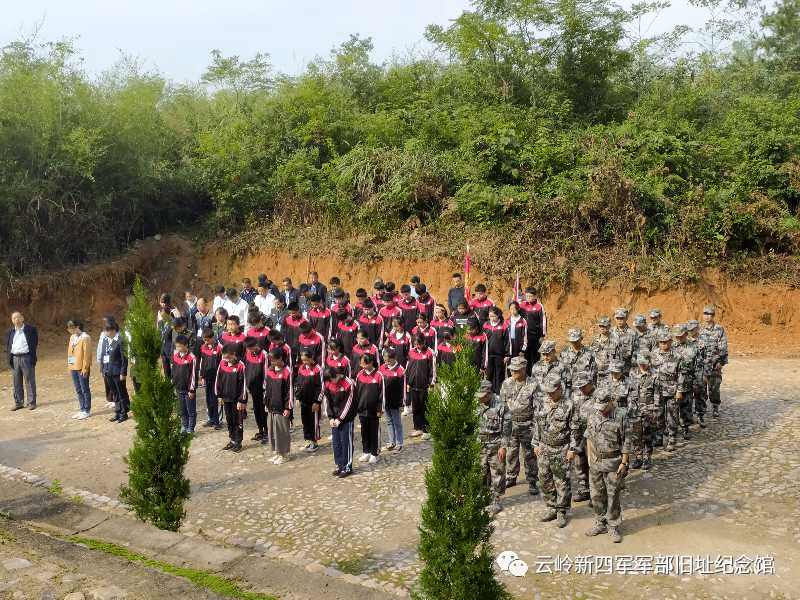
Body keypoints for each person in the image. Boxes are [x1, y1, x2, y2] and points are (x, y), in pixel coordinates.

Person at [584, 386, 631, 543]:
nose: (601, 410)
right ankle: (600, 521)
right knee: (596, 494)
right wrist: (590, 458)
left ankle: (613, 525)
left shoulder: (621, 415)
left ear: (611, 401)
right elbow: (589, 437)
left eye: (604, 406)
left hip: (614, 462)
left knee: (613, 495)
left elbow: (626, 440)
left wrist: (624, 462)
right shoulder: (593, 414)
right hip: (596, 461)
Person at [534, 373, 579, 528]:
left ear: (560, 388)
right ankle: (551, 507)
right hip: (544, 448)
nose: (550, 395)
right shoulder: (542, 403)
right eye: (548, 392)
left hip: (562, 448)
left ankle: (561, 511)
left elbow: (575, 430)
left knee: (561, 481)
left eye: (553, 392)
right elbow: (537, 424)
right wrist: (536, 444)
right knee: (544, 479)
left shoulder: (569, 405)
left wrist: (572, 449)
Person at [500, 356, 540, 496]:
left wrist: (535, 428)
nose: (513, 372)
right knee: (511, 452)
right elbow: (503, 405)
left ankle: (532, 480)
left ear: (524, 369)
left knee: (529, 454)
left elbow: (538, 408)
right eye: (512, 370)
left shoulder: (533, 384)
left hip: (527, 424)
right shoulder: (506, 383)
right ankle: (511, 477)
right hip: (511, 425)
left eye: (516, 370)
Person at [476, 380, 512, 517]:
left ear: (490, 394)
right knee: (481, 472)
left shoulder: (501, 407)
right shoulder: (476, 404)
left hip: (495, 444)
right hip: (480, 444)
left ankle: (496, 500)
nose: (480, 398)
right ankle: (483, 496)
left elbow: (507, 429)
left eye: (483, 395)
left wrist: (503, 447)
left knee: (497, 473)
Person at [651, 329, 687, 452]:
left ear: (671, 342)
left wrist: (680, 390)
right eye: (661, 342)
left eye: (666, 342)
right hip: (657, 390)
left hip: (672, 389)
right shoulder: (653, 354)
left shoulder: (677, 356)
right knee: (658, 414)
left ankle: (672, 438)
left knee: (672, 415)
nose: (663, 344)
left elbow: (681, 374)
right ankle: (659, 437)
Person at [324, 367, 357, 478]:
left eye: (333, 378)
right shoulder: (328, 383)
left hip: (346, 418)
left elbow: (348, 403)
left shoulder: (349, 383)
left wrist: (340, 419)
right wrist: (331, 417)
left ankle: (347, 466)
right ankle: (339, 465)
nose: (332, 382)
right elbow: (328, 401)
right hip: (334, 418)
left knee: (346, 442)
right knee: (336, 443)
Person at [698, 305, 728, 418]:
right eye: (705, 314)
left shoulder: (719, 329)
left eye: (709, 314)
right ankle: (702, 408)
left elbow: (723, 347)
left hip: (715, 364)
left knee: (714, 388)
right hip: (702, 365)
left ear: (713, 316)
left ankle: (715, 406)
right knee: (701, 388)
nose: (707, 316)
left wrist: (720, 362)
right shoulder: (699, 329)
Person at [216, 345, 247, 452]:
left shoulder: (241, 366)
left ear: (234, 355)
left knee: (237, 421)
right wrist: (219, 395)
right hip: (226, 398)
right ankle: (232, 440)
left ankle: (238, 442)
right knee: (229, 421)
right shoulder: (222, 364)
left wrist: (241, 400)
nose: (226, 359)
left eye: (228, 357)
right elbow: (218, 380)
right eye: (224, 357)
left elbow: (243, 384)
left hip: (237, 400)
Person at [264, 348, 293, 464]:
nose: (272, 363)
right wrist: (266, 403)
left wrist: (288, 407)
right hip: (271, 406)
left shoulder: (287, 372)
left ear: (280, 359)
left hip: (282, 408)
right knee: (272, 431)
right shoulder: (269, 371)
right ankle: (277, 452)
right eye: (270, 361)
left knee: (282, 431)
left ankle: (284, 454)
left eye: (274, 360)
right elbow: (267, 389)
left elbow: (289, 391)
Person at [629, 352, 656, 469]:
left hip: (648, 410)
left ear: (649, 363)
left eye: (644, 363)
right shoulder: (632, 373)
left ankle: (647, 458)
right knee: (636, 435)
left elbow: (657, 394)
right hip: (635, 410)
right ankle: (638, 457)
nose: (642, 366)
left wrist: (656, 410)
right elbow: (629, 391)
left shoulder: (654, 375)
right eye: (640, 363)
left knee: (647, 435)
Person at [570, 371, 595, 501]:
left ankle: (596, 493)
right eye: (579, 387)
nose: (582, 389)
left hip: (594, 436)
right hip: (579, 434)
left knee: (593, 464)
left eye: (584, 386)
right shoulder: (576, 396)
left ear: (591, 383)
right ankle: (584, 489)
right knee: (579, 463)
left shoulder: (598, 396)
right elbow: (573, 415)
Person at [355, 354, 384, 464]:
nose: (362, 365)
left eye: (364, 363)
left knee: (374, 432)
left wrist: (380, 409)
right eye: (361, 363)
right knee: (364, 432)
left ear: (370, 363)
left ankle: (374, 453)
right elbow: (356, 393)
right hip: (362, 410)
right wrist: (357, 406)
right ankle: (366, 451)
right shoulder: (359, 375)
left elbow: (382, 394)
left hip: (374, 411)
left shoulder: (378, 375)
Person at [6, 311, 38, 410]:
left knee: (29, 380)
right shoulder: (10, 332)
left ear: (22, 318)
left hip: (26, 357)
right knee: (16, 382)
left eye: (18, 317)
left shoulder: (30, 330)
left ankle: (31, 402)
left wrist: (32, 355)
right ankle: (18, 402)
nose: (17, 320)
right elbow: (8, 345)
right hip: (15, 358)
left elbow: (35, 342)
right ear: (12, 321)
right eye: (14, 318)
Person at [406, 333, 436, 438]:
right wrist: (408, 382)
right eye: (416, 344)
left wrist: (431, 383)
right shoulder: (411, 352)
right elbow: (408, 368)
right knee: (415, 407)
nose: (417, 346)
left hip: (425, 386)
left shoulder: (430, 353)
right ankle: (417, 427)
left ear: (423, 342)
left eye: (419, 344)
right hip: (413, 384)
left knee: (425, 408)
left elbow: (433, 369)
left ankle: (426, 430)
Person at [101, 320, 129, 423]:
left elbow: (124, 358)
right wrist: (103, 370)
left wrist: (123, 372)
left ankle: (123, 413)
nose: (107, 333)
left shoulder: (120, 341)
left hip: (117, 372)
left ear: (113, 330)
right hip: (108, 371)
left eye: (108, 330)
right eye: (105, 331)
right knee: (114, 393)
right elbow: (103, 356)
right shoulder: (105, 341)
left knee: (121, 393)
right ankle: (117, 412)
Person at [296, 350, 323, 452]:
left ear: (312, 358)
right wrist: (298, 397)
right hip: (304, 401)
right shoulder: (301, 368)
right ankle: (308, 440)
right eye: (303, 360)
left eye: (306, 360)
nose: (304, 362)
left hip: (313, 402)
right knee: (305, 421)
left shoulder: (318, 369)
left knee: (314, 422)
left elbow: (321, 387)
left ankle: (314, 441)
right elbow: (298, 384)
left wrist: (317, 402)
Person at [244, 337, 269, 443]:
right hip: (252, 388)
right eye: (248, 349)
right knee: (256, 410)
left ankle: (267, 432)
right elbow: (247, 369)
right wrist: (247, 385)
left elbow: (266, 372)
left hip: (262, 389)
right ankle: (260, 430)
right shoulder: (248, 354)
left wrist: (265, 387)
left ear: (255, 345)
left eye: (250, 348)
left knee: (264, 410)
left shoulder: (264, 354)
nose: (249, 350)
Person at [380, 348, 405, 452]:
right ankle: (392, 441)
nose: (387, 362)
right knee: (389, 421)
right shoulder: (382, 368)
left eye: (389, 360)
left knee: (397, 422)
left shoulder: (400, 370)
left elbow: (403, 387)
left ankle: (399, 442)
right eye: (385, 360)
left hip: (395, 401)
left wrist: (402, 402)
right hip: (385, 401)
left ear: (394, 358)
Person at [171, 335, 198, 434]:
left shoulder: (192, 358)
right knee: (182, 410)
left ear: (186, 345)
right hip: (179, 389)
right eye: (176, 346)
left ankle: (191, 428)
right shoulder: (175, 356)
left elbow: (194, 375)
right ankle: (184, 426)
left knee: (190, 410)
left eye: (179, 346)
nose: (177, 349)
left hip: (188, 390)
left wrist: (192, 390)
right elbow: (173, 371)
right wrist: (173, 384)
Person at [198, 329, 223, 429]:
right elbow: (202, 362)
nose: (206, 342)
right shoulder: (203, 347)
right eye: (204, 340)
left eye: (207, 340)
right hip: (207, 377)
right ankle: (211, 419)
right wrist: (201, 374)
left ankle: (218, 421)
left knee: (216, 398)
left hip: (217, 378)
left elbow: (222, 364)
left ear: (213, 338)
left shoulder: (220, 348)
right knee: (208, 399)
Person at [67, 319, 92, 419]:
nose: (71, 331)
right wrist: (70, 365)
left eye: (72, 328)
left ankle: (87, 410)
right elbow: (70, 352)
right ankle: (81, 408)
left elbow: (87, 354)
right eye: (69, 329)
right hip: (74, 367)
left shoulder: (85, 337)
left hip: (81, 367)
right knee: (78, 389)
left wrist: (85, 368)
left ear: (77, 327)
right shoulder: (72, 337)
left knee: (84, 389)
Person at [519, 287, 547, 375]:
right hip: (524, 336)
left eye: (531, 296)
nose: (529, 298)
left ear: (535, 296)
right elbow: (515, 313)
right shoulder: (522, 305)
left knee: (535, 357)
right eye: (527, 296)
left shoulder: (539, 306)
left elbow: (543, 321)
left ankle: (535, 375)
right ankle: (527, 375)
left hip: (535, 336)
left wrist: (542, 335)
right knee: (526, 357)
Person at [559, 328, 596, 393]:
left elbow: (594, 373)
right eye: (572, 341)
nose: (574, 343)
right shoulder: (563, 354)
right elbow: (560, 373)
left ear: (581, 338)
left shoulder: (589, 354)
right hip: (569, 391)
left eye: (576, 341)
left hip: (585, 391)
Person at [483, 307, 508, 394]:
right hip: (488, 354)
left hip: (499, 355)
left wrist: (507, 355)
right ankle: (489, 393)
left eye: (493, 316)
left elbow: (507, 341)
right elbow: (483, 341)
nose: (492, 318)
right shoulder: (486, 325)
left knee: (499, 375)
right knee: (489, 374)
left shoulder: (503, 326)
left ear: (498, 316)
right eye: (490, 316)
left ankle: (498, 393)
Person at [610, 308, 638, 374]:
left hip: (627, 371)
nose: (620, 321)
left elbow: (636, 351)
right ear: (615, 319)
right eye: (618, 318)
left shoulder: (632, 333)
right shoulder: (610, 332)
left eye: (622, 318)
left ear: (626, 318)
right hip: (613, 371)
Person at [590, 317, 614, 386]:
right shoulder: (595, 340)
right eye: (600, 326)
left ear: (609, 326)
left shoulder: (615, 339)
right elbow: (591, 357)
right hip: (597, 375)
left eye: (604, 326)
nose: (602, 328)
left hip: (610, 375)